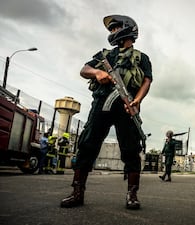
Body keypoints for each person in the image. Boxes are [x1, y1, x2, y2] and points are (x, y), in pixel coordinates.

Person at [60, 15, 153, 210]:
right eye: (111, 30)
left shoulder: (142, 58)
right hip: (102, 103)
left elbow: (147, 80)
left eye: (115, 28)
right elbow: (84, 69)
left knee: (131, 149)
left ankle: (132, 194)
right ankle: (77, 191)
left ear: (127, 29)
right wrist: (97, 73)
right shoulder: (106, 56)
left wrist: (136, 100)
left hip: (127, 106)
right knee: (87, 144)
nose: (112, 32)